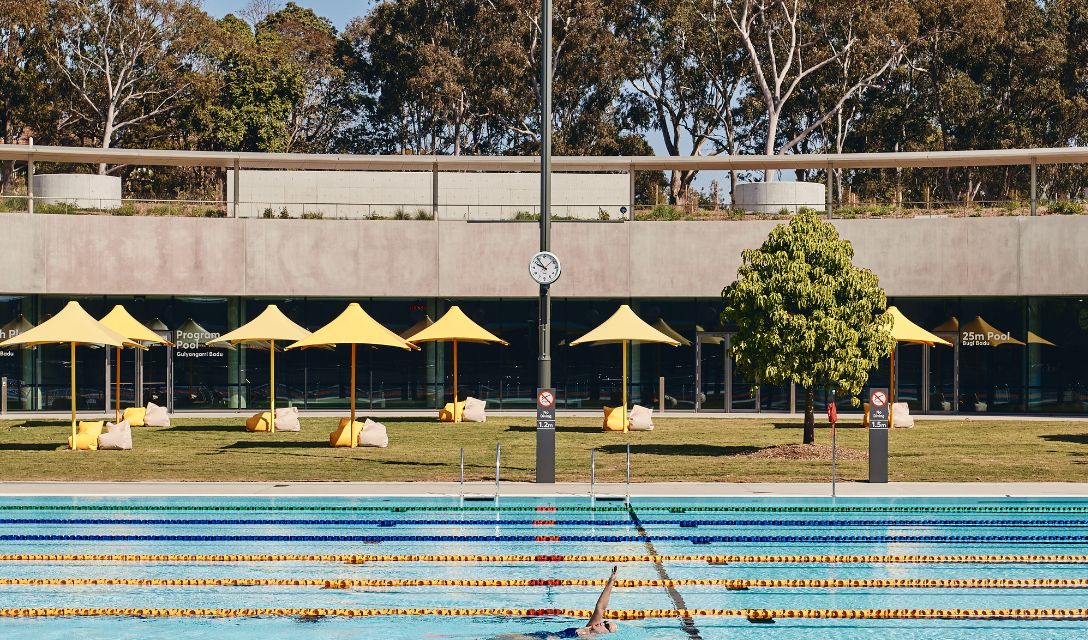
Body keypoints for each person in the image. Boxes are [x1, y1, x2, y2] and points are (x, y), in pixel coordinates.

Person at [493, 566, 620, 639]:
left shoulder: (588, 638)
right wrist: (611, 581)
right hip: (544, 635)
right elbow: (600, 608)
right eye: (605, 621)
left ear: (606, 634)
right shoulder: (589, 628)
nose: (602, 622)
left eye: (607, 625)